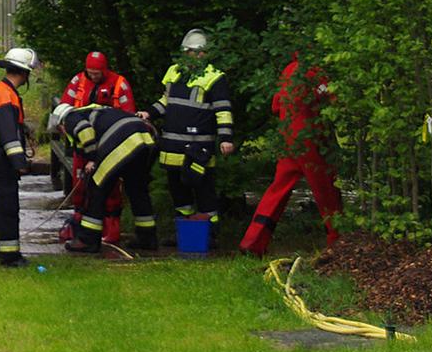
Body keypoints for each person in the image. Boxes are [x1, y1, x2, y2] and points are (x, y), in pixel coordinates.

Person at [240, 55, 340, 255]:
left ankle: (253, 242)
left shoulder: (289, 70)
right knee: (326, 190)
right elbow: (333, 102)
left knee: (277, 190)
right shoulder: (316, 72)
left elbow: (276, 105)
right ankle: (337, 241)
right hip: (311, 138)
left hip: (289, 138)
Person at [138, 29, 234, 226]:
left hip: (199, 148)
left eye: (198, 52)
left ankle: (211, 233)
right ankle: (184, 229)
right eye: (190, 52)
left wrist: (225, 138)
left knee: (204, 189)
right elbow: (166, 100)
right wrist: (149, 113)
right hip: (172, 146)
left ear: (205, 53)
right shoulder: (174, 72)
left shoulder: (215, 77)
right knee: (178, 191)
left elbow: (222, 110)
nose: (195, 56)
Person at [50, 103, 160, 252]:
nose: (62, 133)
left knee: (95, 189)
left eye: (59, 130)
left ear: (60, 122)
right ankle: (147, 238)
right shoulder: (96, 111)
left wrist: (91, 158)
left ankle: (88, 240)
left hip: (122, 142)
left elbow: (85, 130)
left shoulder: (71, 117)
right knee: (137, 190)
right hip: (143, 141)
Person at [58, 51, 136, 245]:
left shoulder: (119, 84)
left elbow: (129, 115)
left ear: (105, 69)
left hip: (108, 147)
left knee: (110, 188)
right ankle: (79, 227)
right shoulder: (78, 81)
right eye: (90, 72)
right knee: (80, 186)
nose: (93, 76)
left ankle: (111, 230)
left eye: (97, 73)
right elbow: (64, 108)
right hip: (82, 145)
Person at [0, 47, 37, 266]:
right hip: (1, 162)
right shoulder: (6, 96)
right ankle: (11, 256)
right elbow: (8, 135)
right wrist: (19, 162)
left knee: (1, 205)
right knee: (9, 208)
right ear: (24, 73)